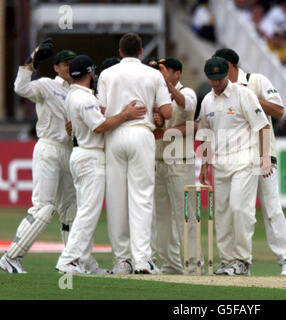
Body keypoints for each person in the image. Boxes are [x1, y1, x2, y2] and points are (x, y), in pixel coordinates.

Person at [56, 55, 147, 274]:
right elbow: (99, 126)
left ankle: (85, 262)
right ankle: (69, 259)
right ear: (90, 73)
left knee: (86, 210)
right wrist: (125, 115)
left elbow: (94, 119)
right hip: (90, 156)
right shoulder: (84, 98)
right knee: (88, 211)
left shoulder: (74, 95)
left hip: (82, 154)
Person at [213, 48, 286, 276]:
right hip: (238, 160)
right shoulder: (220, 91)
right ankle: (235, 262)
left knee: (271, 207)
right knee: (237, 210)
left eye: (222, 68)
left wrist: (249, 97)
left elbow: (279, 110)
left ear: (232, 66)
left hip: (264, 156)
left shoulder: (255, 81)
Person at [97, 33, 172, 274]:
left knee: (117, 198)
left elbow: (100, 111)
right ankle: (142, 260)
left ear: (120, 52)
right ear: (141, 52)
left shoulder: (107, 74)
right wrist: (152, 107)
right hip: (141, 134)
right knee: (141, 197)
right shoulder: (153, 75)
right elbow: (168, 112)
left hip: (114, 135)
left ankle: (122, 261)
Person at [0, 40, 77, 273]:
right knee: (44, 208)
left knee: (71, 211)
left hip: (70, 151)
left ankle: (70, 260)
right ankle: (11, 257)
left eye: (73, 63)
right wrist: (29, 63)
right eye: (65, 64)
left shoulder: (78, 92)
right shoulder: (46, 85)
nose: (69, 67)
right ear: (56, 68)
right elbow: (20, 89)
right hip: (49, 148)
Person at [197, 57, 271, 276]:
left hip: (244, 160)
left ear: (227, 75)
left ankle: (242, 260)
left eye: (220, 79)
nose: (217, 83)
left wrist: (264, 157)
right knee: (222, 214)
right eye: (213, 79)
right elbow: (205, 134)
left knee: (240, 209)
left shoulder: (243, 95)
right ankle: (227, 261)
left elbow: (263, 126)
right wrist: (204, 164)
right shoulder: (207, 101)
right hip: (220, 162)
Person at [151, 57, 198, 274]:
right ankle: (170, 264)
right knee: (162, 218)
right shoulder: (155, 94)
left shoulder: (187, 92)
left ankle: (194, 266)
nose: (160, 74)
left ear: (176, 73)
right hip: (158, 162)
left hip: (180, 163)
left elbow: (186, 106)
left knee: (185, 216)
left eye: (164, 70)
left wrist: (166, 85)